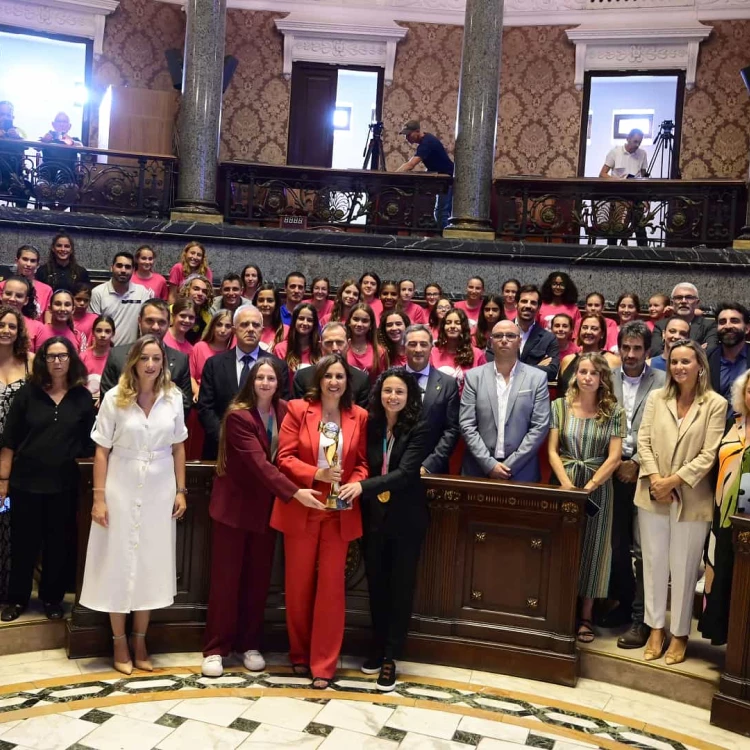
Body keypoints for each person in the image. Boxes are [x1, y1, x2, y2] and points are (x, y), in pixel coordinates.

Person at [201, 359, 323, 678]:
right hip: (235, 509)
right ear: (251, 382)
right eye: (260, 377)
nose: (265, 382)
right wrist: (296, 492)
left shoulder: (286, 411)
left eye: (271, 377)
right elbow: (260, 464)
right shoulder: (238, 415)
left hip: (268, 510)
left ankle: (249, 644)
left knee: (258, 582)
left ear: (279, 381)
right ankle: (216, 649)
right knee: (226, 582)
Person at [79, 335, 188, 674]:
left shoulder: (173, 398)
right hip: (120, 485)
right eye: (145, 359)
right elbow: (101, 450)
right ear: (134, 362)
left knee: (149, 564)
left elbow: (179, 447)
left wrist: (180, 490)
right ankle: (119, 641)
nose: (151, 365)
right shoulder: (115, 397)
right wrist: (99, 497)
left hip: (159, 485)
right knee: (118, 559)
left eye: (157, 359)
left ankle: (140, 637)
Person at [270, 354, 368, 689]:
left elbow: (364, 464)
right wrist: (316, 474)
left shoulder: (360, 416)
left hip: (339, 511)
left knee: (331, 590)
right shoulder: (298, 410)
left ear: (347, 382)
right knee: (297, 588)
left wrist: (356, 482)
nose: (334, 382)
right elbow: (284, 458)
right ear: (319, 380)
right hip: (305, 504)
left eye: (340, 376)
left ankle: (324, 664)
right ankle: (299, 653)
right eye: (328, 376)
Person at [338, 368, 430, 691]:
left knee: (400, 588)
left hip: (406, 519)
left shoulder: (420, 426)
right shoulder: (372, 424)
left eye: (399, 392)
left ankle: (391, 657)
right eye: (387, 391)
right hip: (374, 517)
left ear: (409, 396)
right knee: (377, 586)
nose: (392, 397)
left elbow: (406, 474)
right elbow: (364, 461)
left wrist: (362, 487)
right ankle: (377, 648)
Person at [635, 339, 726, 665]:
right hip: (653, 494)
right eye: (674, 362)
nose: (679, 367)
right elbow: (643, 441)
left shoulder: (714, 403)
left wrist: (674, 480)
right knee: (654, 564)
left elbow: (709, 453)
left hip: (691, 498)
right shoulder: (657, 398)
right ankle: (655, 627)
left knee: (685, 569)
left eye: (686, 361)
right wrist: (657, 479)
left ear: (699, 365)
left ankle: (680, 633)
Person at [0, 337, 95, 622]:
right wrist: (3, 481)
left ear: (71, 360)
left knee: (58, 544)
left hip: (65, 486)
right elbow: (9, 440)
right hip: (25, 484)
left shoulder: (81, 397)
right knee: (23, 543)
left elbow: (91, 444)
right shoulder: (28, 394)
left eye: (62, 356)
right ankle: (17, 599)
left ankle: (52, 599)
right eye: (51, 356)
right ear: (42, 360)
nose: (56, 361)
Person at [548, 353, 626, 643]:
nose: (587, 377)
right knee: (563, 545)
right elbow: (553, 450)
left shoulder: (615, 412)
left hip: (598, 487)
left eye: (594, 372)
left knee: (594, 550)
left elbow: (615, 457)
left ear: (603, 378)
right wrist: (568, 484)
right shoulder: (560, 406)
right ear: (575, 375)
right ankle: (559, 609)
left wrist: (589, 486)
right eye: (582, 371)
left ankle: (586, 616)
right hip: (564, 484)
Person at [606, 322, 665, 649]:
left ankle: (643, 619)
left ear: (648, 351)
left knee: (644, 552)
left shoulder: (662, 381)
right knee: (614, 547)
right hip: (612, 472)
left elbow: (664, 429)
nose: (630, 355)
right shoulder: (607, 378)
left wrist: (638, 463)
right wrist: (615, 462)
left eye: (637, 349)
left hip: (646, 474)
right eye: (625, 348)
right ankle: (626, 606)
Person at [460, 320, 550, 482]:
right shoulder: (474, 377)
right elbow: (467, 425)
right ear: (491, 342)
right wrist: (489, 465)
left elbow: (539, 427)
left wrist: (511, 465)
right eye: (498, 335)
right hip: (478, 469)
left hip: (522, 471)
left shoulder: (537, 378)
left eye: (510, 335)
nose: (504, 339)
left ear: (519, 341)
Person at [198, 305, 290, 460]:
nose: (250, 329)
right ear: (234, 330)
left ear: (262, 330)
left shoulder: (278, 366)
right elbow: (205, 408)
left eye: (255, 325)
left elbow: (282, 407)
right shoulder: (214, 364)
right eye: (244, 324)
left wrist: (255, 442)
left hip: (264, 451)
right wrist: (227, 437)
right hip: (221, 449)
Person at [700, 369, 750, 646]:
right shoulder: (734, 423)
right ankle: (726, 640)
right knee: (722, 572)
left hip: (749, 519)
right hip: (724, 514)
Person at [100, 299, 192, 412]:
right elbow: (107, 402)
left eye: (161, 322)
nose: (155, 327)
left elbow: (185, 406)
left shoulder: (180, 360)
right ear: (139, 321)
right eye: (149, 321)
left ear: (169, 323)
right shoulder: (117, 355)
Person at [0, 305, 33, 604]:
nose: (6, 330)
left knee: (7, 519)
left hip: (17, 455)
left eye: (12, 326)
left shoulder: (30, 364)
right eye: (1, 324)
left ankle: (7, 588)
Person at [404, 324, 460, 475]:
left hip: (432, 469)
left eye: (423, 344)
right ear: (404, 348)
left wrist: (430, 465)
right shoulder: (391, 379)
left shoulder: (448, 383)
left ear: (431, 348)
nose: (418, 349)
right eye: (412, 344)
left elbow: (452, 430)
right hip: (396, 468)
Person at [486, 285, 559, 382]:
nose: (528, 306)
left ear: (538, 308)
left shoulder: (548, 339)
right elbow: (493, 365)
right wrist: (536, 367)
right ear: (516, 304)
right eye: (524, 301)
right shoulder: (498, 332)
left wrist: (510, 366)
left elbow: (552, 372)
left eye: (533, 303)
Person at [293, 322, 370, 408]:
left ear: (348, 344)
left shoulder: (361, 379)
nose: (335, 348)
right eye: (329, 343)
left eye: (339, 342)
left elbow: (362, 418)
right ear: (320, 346)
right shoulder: (302, 376)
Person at [396, 119, 454, 229]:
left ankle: (447, 241)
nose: (407, 138)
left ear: (417, 131)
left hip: (448, 180)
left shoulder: (427, 143)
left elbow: (410, 165)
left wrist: (392, 176)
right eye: (405, 135)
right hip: (443, 179)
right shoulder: (426, 140)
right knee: (440, 212)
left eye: (408, 134)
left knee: (442, 213)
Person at [89, 252, 153, 346]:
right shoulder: (98, 293)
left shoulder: (142, 292)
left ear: (133, 270)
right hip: (106, 352)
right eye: (119, 266)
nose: (123, 270)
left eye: (127, 267)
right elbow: (93, 328)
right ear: (112, 267)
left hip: (133, 353)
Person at [599, 128, 648, 246]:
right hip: (618, 195)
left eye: (639, 142)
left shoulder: (642, 154)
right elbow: (602, 174)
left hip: (636, 195)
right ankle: (611, 255)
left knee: (640, 228)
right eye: (635, 141)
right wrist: (617, 179)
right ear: (628, 139)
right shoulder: (615, 152)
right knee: (615, 228)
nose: (637, 145)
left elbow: (644, 176)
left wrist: (646, 198)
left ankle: (645, 258)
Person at [558, 313, 621, 396]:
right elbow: (560, 392)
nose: (588, 331)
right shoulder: (567, 360)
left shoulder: (612, 361)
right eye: (584, 328)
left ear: (602, 334)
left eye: (594, 329)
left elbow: (616, 394)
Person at [650, 283, 717, 355]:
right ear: (672, 303)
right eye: (679, 297)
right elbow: (656, 352)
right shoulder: (661, 325)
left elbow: (711, 352)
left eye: (689, 297)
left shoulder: (709, 325)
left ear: (697, 303)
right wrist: (697, 351)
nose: (683, 301)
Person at [431, 308, 484, 391]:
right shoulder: (432, 352)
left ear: (463, 327)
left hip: (467, 402)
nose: (452, 326)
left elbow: (484, 384)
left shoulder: (477, 354)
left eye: (457, 323)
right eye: (448, 323)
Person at [707, 302, 750, 404]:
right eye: (722, 322)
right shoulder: (705, 359)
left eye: (734, 321)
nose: (728, 326)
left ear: (747, 328)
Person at [190, 310, 234, 401]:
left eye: (228, 326)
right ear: (212, 326)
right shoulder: (199, 347)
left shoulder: (234, 351)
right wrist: (198, 392)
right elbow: (191, 376)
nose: (223, 330)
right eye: (219, 325)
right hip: (201, 400)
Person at [273, 303, 321, 385]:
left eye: (309, 320)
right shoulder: (280, 349)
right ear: (294, 321)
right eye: (301, 318)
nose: (305, 323)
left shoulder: (321, 349)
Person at [4, 245, 52, 316]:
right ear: (17, 261)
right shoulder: (3, 285)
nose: (28, 264)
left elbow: (48, 322)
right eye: (25, 259)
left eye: (32, 261)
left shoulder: (46, 290)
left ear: (37, 265)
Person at [35, 289, 85, 353]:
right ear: (50, 308)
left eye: (67, 305)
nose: (62, 309)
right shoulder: (39, 331)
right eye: (58, 304)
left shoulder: (77, 335)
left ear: (73, 309)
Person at [346, 303, 386, 383]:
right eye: (356, 319)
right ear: (349, 322)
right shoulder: (341, 347)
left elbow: (381, 382)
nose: (359, 324)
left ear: (371, 325)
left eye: (365, 321)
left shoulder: (379, 351)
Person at [81, 315, 116, 407]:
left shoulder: (117, 358)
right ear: (93, 332)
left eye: (107, 331)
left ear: (113, 333)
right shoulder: (83, 356)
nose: (103, 335)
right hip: (85, 403)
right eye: (99, 330)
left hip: (109, 404)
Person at [1, 276, 43, 348]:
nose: (12, 299)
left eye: (19, 296)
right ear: (1, 295)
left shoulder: (38, 328)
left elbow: (40, 358)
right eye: (8, 293)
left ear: (26, 300)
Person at [178, 275, 213, 344]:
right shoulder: (172, 311)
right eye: (196, 289)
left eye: (204, 291)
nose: (200, 294)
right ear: (187, 290)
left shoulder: (207, 318)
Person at [254, 283, 286, 351]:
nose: (265, 304)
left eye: (270, 300)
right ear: (255, 303)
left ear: (276, 304)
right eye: (261, 300)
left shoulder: (286, 331)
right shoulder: (245, 329)